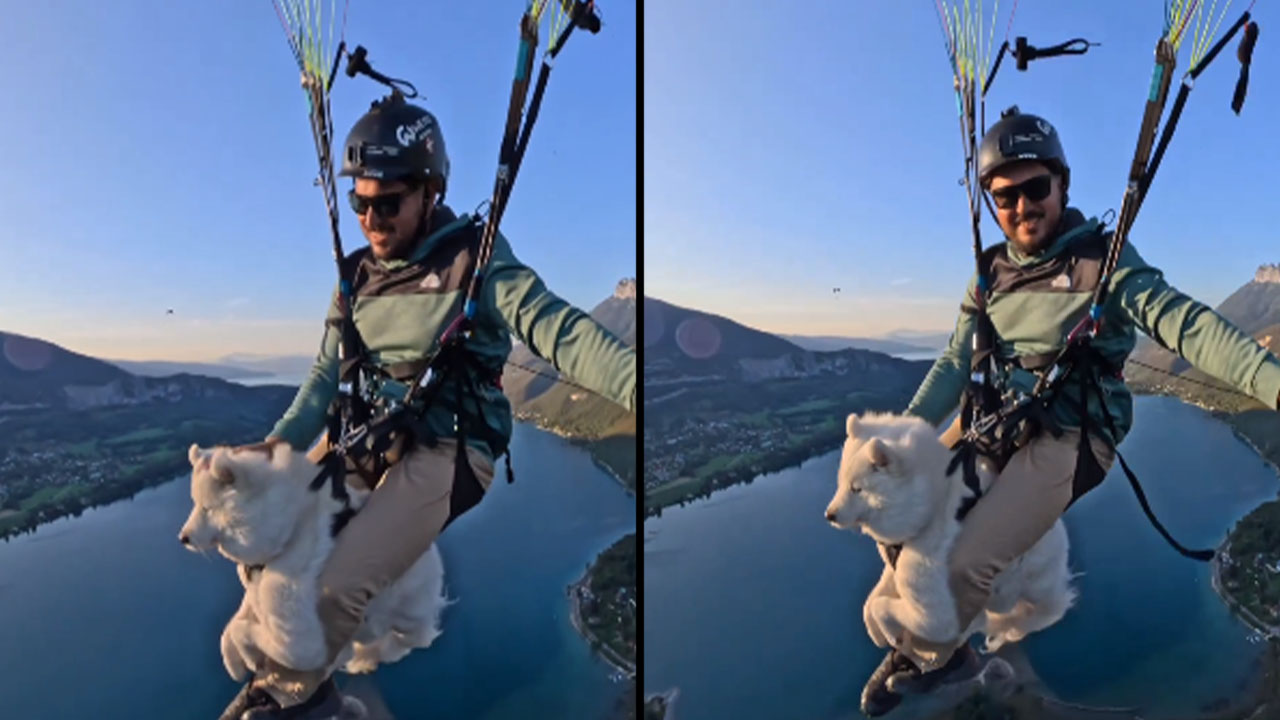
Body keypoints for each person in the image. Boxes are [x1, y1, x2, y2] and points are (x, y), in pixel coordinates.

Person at [219, 91, 636, 720]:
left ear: (429, 193)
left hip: (449, 449)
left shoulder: (476, 260)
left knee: (334, 589)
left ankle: (293, 697)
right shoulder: (355, 278)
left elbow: (560, 331)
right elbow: (322, 380)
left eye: (388, 203)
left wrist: (638, 384)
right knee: (265, 551)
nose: (371, 219)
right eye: (361, 202)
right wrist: (271, 450)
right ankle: (299, 681)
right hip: (369, 436)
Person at [859, 107, 1280, 717]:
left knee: (966, 564)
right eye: (1005, 196)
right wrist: (896, 443)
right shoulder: (989, 277)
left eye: (1035, 189)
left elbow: (1188, 326)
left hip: (1072, 433)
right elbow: (955, 362)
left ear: (1062, 185)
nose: (1022, 206)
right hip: (999, 416)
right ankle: (923, 640)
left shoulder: (1103, 264)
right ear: (989, 202)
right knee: (889, 512)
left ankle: (937, 654)